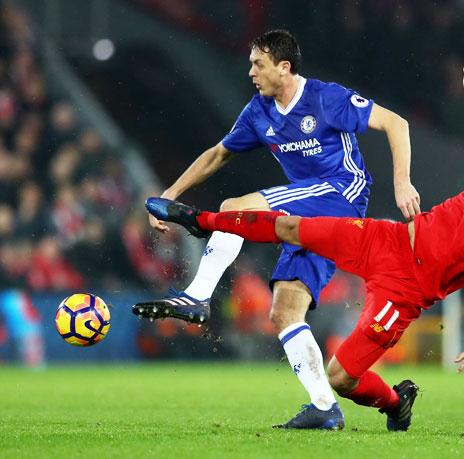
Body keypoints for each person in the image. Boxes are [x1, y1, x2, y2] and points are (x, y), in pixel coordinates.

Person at [145, 55, 464, 432]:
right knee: (292, 225)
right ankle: (199, 220)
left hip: (407, 287)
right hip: (388, 239)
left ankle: (395, 403)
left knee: (341, 377)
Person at [132, 29, 420, 430]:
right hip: (306, 219)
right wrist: (172, 190)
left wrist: (402, 182)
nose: (250, 71)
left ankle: (197, 297)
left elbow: (396, 123)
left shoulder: (324, 97)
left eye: (258, 64)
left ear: (284, 68)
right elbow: (219, 154)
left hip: (341, 195)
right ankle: (327, 408)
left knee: (235, 208)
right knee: (284, 312)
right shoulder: (258, 111)